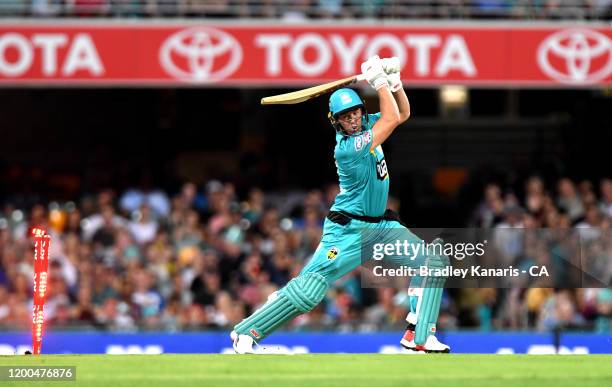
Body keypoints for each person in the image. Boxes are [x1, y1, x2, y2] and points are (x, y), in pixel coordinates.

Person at [231, 55, 451, 354]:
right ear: (337, 122)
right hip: (349, 230)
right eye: (345, 117)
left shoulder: (368, 126)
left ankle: (419, 336)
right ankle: (246, 334)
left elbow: (400, 115)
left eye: (356, 113)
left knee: (432, 262)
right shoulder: (348, 149)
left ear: (362, 111)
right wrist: (379, 82)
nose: (352, 120)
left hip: (382, 228)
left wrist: (395, 84)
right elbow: (388, 119)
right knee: (310, 289)